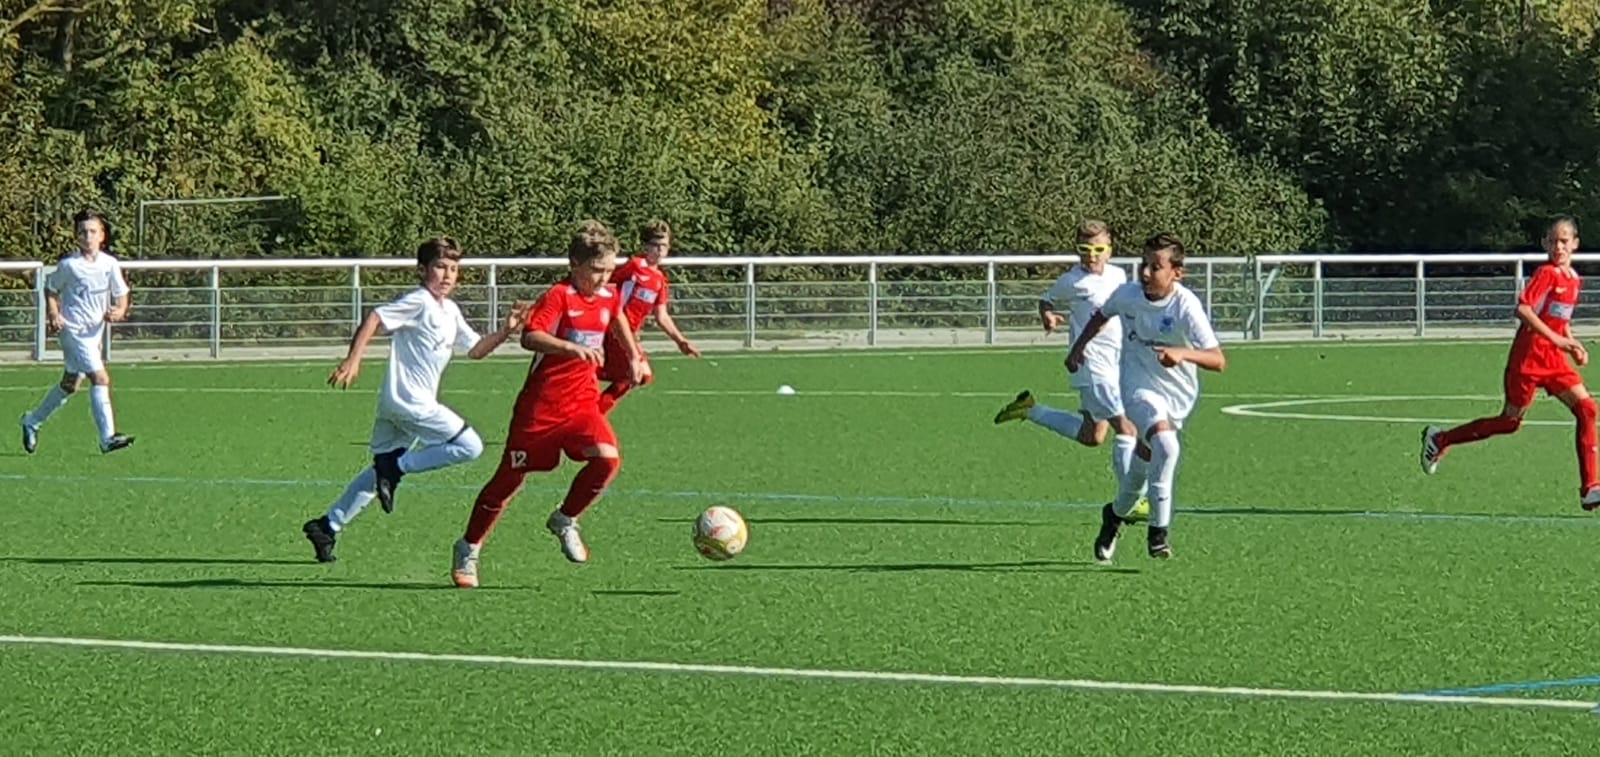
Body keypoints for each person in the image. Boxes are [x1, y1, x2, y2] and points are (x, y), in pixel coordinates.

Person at [301, 237, 526, 563]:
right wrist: (354, 359)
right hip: (411, 403)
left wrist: (506, 331)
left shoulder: (450, 310)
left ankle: (327, 526)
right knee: (470, 446)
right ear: (422, 270)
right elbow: (375, 317)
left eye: (453, 269)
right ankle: (395, 467)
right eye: (440, 267)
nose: (448, 275)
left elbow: (476, 350)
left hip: (396, 406)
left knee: (376, 475)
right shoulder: (419, 301)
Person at [451, 220, 647, 588]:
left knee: (607, 459)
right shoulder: (559, 295)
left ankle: (565, 518)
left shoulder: (607, 295)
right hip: (541, 408)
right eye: (597, 270)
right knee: (508, 481)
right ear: (575, 263)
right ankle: (469, 547)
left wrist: (635, 355)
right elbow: (531, 336)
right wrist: (570, 348)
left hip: (582, 403)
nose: (604, 279)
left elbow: (618, 316)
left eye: (609, 271)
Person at [1421, 216, 1600, 511]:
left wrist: (1573, 344)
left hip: (1554, 360)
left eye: (1564, 241)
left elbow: (1560, 320)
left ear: (1575, 244)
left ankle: (1590, 488)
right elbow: (1524, 309)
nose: (1558, 247)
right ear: (1544, 244)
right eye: (1553, 241)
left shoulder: (1573, 279)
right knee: (1510, 422)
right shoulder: (1546, 273)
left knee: (1587, 409)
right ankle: (1441, 439)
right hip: (1528, 358)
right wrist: (1559, 341)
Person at [1068, 233, 1226, 562]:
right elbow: (1101, 315)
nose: (1145, 273)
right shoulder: (1127, 295)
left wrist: (1182, 353)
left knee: (1139, 472)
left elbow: (1218, 360)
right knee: (1166, 445)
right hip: (1136, 386)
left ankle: (1113, 515)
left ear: (1177, 273)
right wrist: (1078, 348)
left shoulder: (1186, 305)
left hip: (1177, 395)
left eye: (1155, 267)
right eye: (1144, 264)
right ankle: (1159, 533)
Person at [994, 220, 1144, 516]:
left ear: (1109, 250)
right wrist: (1047, 315)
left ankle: (1030, 409)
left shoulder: (1118, 275)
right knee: (1127, 427)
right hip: (1089, 364)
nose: (1091, 256)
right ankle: (1132, 500)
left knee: (1093, 436)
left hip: (1117, 363)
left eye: (1098, 249)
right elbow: (1046, 299)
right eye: (1084, 249)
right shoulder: (1072, 280)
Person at [19, 209, 134, 455]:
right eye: (83, 232)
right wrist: (54, 314)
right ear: (76, 236)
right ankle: (107, 438)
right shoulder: (69, 265)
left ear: (102, 235)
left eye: (92, 231)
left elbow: (121, 293)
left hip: (94, 333)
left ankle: (32, 421)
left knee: (70, 384)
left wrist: (120, 310)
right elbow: (51, 289)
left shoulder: (109, 264)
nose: (88, 236)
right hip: (72, 330)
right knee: (100, 378)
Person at [597, 219, 700, 414]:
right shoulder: (634, 266)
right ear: (645, 246)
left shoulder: (659, 279)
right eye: (655, 245)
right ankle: (592, 415)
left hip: (629, 333)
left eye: (664, 245)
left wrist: (680, 341)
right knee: (637, 374)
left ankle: (591, 406)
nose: (660, 250)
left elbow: (661, 315)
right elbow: (605, 284)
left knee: (638, 376)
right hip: (616, 328)